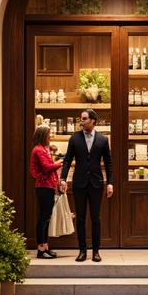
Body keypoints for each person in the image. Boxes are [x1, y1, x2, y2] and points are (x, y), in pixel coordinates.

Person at [59, 108, 114, 262]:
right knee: (81, 218)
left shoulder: (103, 139)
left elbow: (109, 163)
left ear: (92, 121)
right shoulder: (74, 138)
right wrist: (63, 178)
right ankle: (82, 250)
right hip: (79, 184)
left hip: (96, 183)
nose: (81, 122)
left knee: (96, 218)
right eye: (81, 119)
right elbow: (68, 160)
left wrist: (110, 183)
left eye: (84, 119)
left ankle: (96, 251)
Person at [29, 124, 62, 259]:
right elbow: (47, 167)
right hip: (43, 187)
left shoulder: (43, 149)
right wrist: (61, 162)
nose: (50, 136)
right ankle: (41, 249)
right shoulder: (39, 150)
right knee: (43, 218)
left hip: (47, 186)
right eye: (49, 134)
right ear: (43, 135)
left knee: (46, 218)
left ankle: (45, 246)